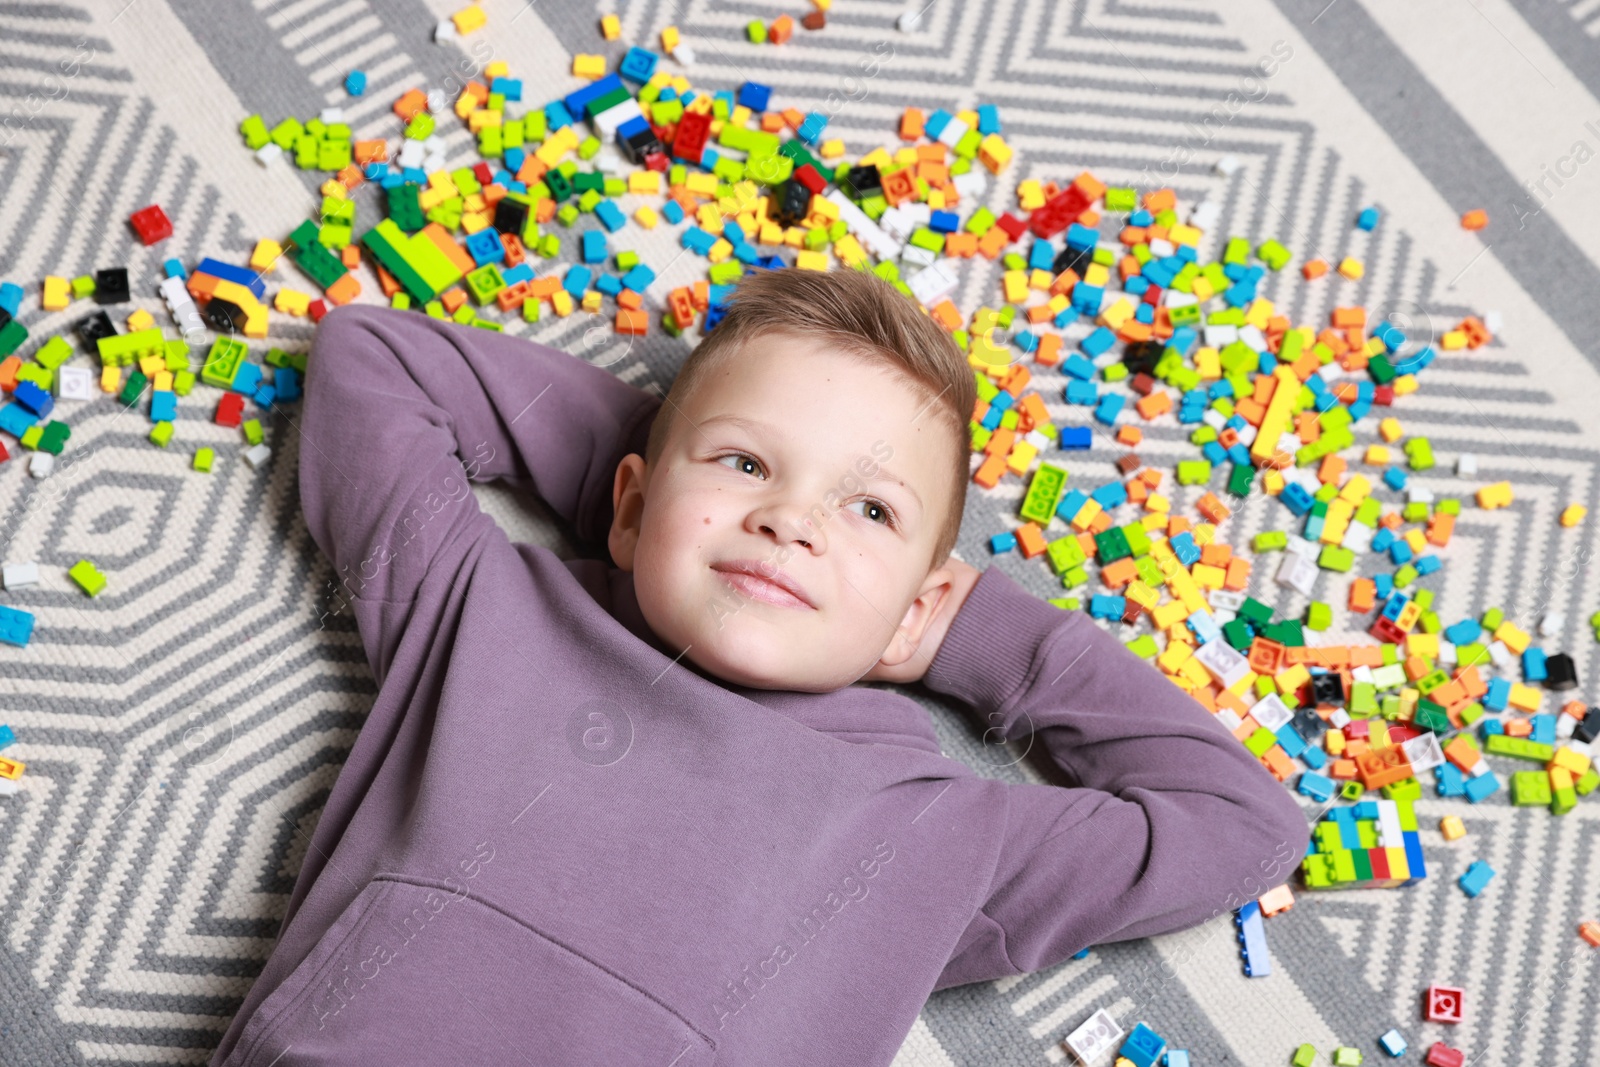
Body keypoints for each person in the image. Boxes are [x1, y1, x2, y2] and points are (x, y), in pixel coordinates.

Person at [210, 267, 1307, 1067]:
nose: (790, 519)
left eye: (869, 508)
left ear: (916, 605)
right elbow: (375, 358)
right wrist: (649, 512)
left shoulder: (939, 831)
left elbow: (1240, 823)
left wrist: (978, 634)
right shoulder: (485, 608)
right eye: (745, 464)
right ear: (629, 498)